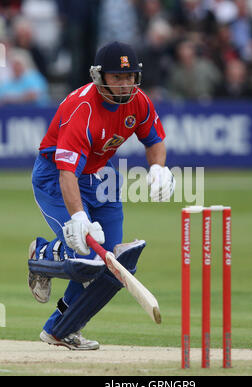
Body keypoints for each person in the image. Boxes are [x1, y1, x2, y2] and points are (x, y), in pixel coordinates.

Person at [28, 41, 175, 350]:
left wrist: (158, 168)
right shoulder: (83, 109)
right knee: (86, 253)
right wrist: (79, 218)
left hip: (101, 176)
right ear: (100, 77)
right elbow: (67, 172)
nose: (124, 85)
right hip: (56, 177)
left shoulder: (139, 102)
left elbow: (154, 139)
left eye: (129, 77)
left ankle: (60, 329)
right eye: (116, 77)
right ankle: (43, 254)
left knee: (109, 264)